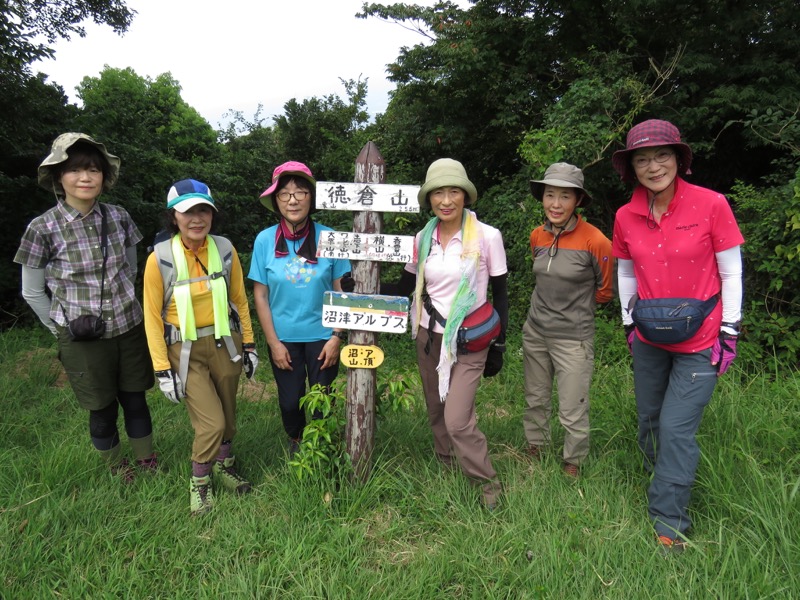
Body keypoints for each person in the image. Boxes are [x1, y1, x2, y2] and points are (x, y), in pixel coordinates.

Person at [611, 119, 744, 553]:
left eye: (662, 156)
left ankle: (669, 521)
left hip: (701, 339)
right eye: (643, 159)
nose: (653, 166)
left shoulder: (711, 205)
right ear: (632, 168)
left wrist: (730, 330)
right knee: (649, 420)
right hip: (649, 337)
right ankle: (665, 473)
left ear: (679, 159)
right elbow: (626, 270)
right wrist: (629, 322)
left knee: (674, 428)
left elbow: (732, 271)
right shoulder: (625, 215)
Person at [14, 132, 157, 482]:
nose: (85, 177)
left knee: (136, 399)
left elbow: (131, 269)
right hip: (82, 338)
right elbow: (32, 292)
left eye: (93, 169)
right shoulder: (42, 228)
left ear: (104, 177)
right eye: (76, 170)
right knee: (102, 407)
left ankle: (146, 461)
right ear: (58, 177)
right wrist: (61, 328)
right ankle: (115, 467)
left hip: (128, 326)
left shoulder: (119, 217)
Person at [383, 158, 508, 510]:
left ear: (465, 196)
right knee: (436, 410)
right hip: (429, 335)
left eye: (454, 191)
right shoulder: (423, 238)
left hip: (470, 339)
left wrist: (499, 344)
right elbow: (407, 284)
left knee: (457, 418)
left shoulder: (487, 236)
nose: (446, 200)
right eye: (438, 192)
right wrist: (365, 286)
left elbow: (501, 293)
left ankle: (487, 483)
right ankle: (447, 466)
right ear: (430, 199)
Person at [142, 179, 257, 516]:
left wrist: (249, 344)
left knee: (229, 417)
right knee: (211, 423)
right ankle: (200, 484)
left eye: (203, 209)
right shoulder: (159, 259)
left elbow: (239, 300)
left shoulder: (223, 249)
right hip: (185, 350)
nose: (197, 218)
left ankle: (225, 466)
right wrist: (162, 368)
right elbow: (151, 316)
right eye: (188, 211)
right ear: (174, 217)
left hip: (225, 343)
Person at [249, 161, 350, 456]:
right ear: (276, 200)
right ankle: (296, 441)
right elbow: (260, 296)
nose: (292, 199)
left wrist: (337, 336)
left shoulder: (330, 237)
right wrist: (273, 343)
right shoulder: (265, 240)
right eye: (285, 194)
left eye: (300, 192)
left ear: (311, 197)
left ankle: (321, 447)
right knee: (290, 402)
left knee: (322, 398)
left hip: (323, 334)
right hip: (284, 337)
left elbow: (342, 289)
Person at [522, 163, 614, 477]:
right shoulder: (537, 235)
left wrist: (577, 310)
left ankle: (572, 461)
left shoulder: (596, 241)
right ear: (542, 198)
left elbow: (605, 290)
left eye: (565, 196)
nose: (556, 204)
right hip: (535, 330)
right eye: (550, 195)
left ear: (577, 201)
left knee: (572, 405)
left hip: (573, 337)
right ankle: (536, 445)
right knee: (535, 396)